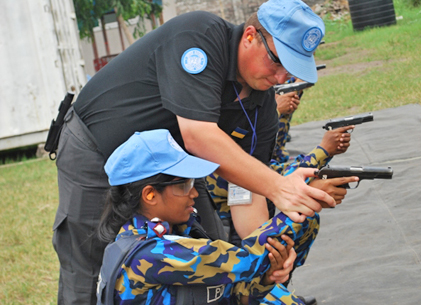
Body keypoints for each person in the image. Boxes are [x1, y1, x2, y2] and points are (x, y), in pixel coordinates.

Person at [51, 0, 336, 303]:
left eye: (291, 71)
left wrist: (268, 258)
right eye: (277, 61)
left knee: (208, 248)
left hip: (177, 168)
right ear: (250, 36)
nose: (281, 79)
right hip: (96, 150)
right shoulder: (200, 36)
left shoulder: (261, 111)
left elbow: (245, 194)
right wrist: (280, 187)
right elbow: (198, 136)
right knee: (88, 265)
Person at [97, 129, 321, 305]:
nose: (194, 193)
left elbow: (231, 296)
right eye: (185, 185)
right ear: (150, 194)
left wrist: (266, 279)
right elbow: (247, 258)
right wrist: (303, 201)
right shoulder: (153, 253)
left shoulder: (143, 237)